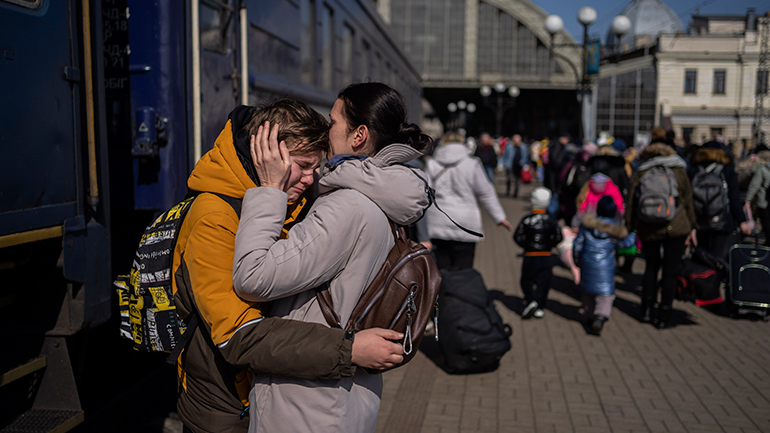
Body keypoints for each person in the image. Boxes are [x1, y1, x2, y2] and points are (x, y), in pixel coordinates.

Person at [172, 99, 402, 433]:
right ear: (266, 155)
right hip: (226, 406)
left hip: (266, 392)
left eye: (316, 166)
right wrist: (349, 350)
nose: (312, 179)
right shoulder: (214, 217)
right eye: (303, 165)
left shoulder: (289, 198)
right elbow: (239, 337)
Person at [231, 83, 433, 433]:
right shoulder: (382, 203)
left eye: (333, 120)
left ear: (359, 135)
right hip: (345, 397)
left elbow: (253, 276)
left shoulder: (348, 206)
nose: (327, 129)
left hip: (307, 405)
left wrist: (268, 190)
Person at [625, 142, 697, 329]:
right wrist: (692, 225)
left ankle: (646, 311)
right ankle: (664, 315)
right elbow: (688, 198)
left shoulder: (642, 170)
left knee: (650, 268)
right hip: (677, 225)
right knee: (670, 272)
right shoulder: (679, 168)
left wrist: (630, 225)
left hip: (649, 226)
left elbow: (632, 199)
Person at [425, 130, 513, 270]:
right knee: (464, 269)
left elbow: (424, 193)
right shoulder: (472, 163)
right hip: (465, 224)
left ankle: (444, 292)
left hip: (437, 221)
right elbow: (486, 193)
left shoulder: (431, 164)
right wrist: (499, 217)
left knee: (440, 269)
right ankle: (460, 291)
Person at [573, 196, 636, 336]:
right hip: (605, 269)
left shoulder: (587, 229)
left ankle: (589, 316)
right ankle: (600, 317)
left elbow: (577, 246)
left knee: (587, 293)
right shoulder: (614, 232)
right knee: (605, 296)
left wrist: (577, 261)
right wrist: (633, 233)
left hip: (587, 266)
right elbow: (626, 243)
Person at [688, 140, 750, 260]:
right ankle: (717, 277)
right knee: (719, 257)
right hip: (724, 220)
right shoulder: (726, 169)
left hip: (700, 219)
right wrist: (742, 220)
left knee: (702, 256)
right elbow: (734, 197)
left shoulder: (694, 169)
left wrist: (690, 225)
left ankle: (703, 277)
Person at [513, 187, 563, 319]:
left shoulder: (527, 219)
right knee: (544, 282)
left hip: (530, 256)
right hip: (546, 256)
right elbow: (559, 237)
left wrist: (527, 246)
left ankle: (531, 300)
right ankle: (539, 306)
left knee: (526, 279)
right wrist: (549, 246)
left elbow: (517, 237)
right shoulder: (551, 220)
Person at [745, 159, 770, 244]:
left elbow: (754, 185)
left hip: (763, 203)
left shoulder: (763, 169)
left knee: (767, 225)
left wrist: (748, 199)